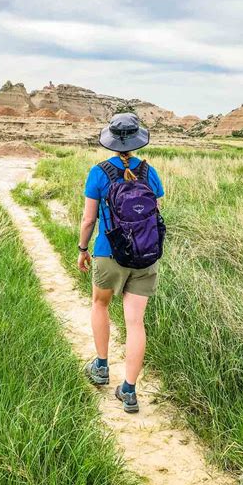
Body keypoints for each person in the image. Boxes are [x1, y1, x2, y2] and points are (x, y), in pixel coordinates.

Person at [77, 113, 164, 413]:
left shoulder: (98, 172)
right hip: (145, 256)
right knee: (135, 323)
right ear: (137, 140)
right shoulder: (149, 172)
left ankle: (101, 367)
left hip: (108, 253)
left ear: (112, 142)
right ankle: (129, 391)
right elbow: (154, 216)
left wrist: (82, 249)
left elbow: (89, 219)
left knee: (100, 305)